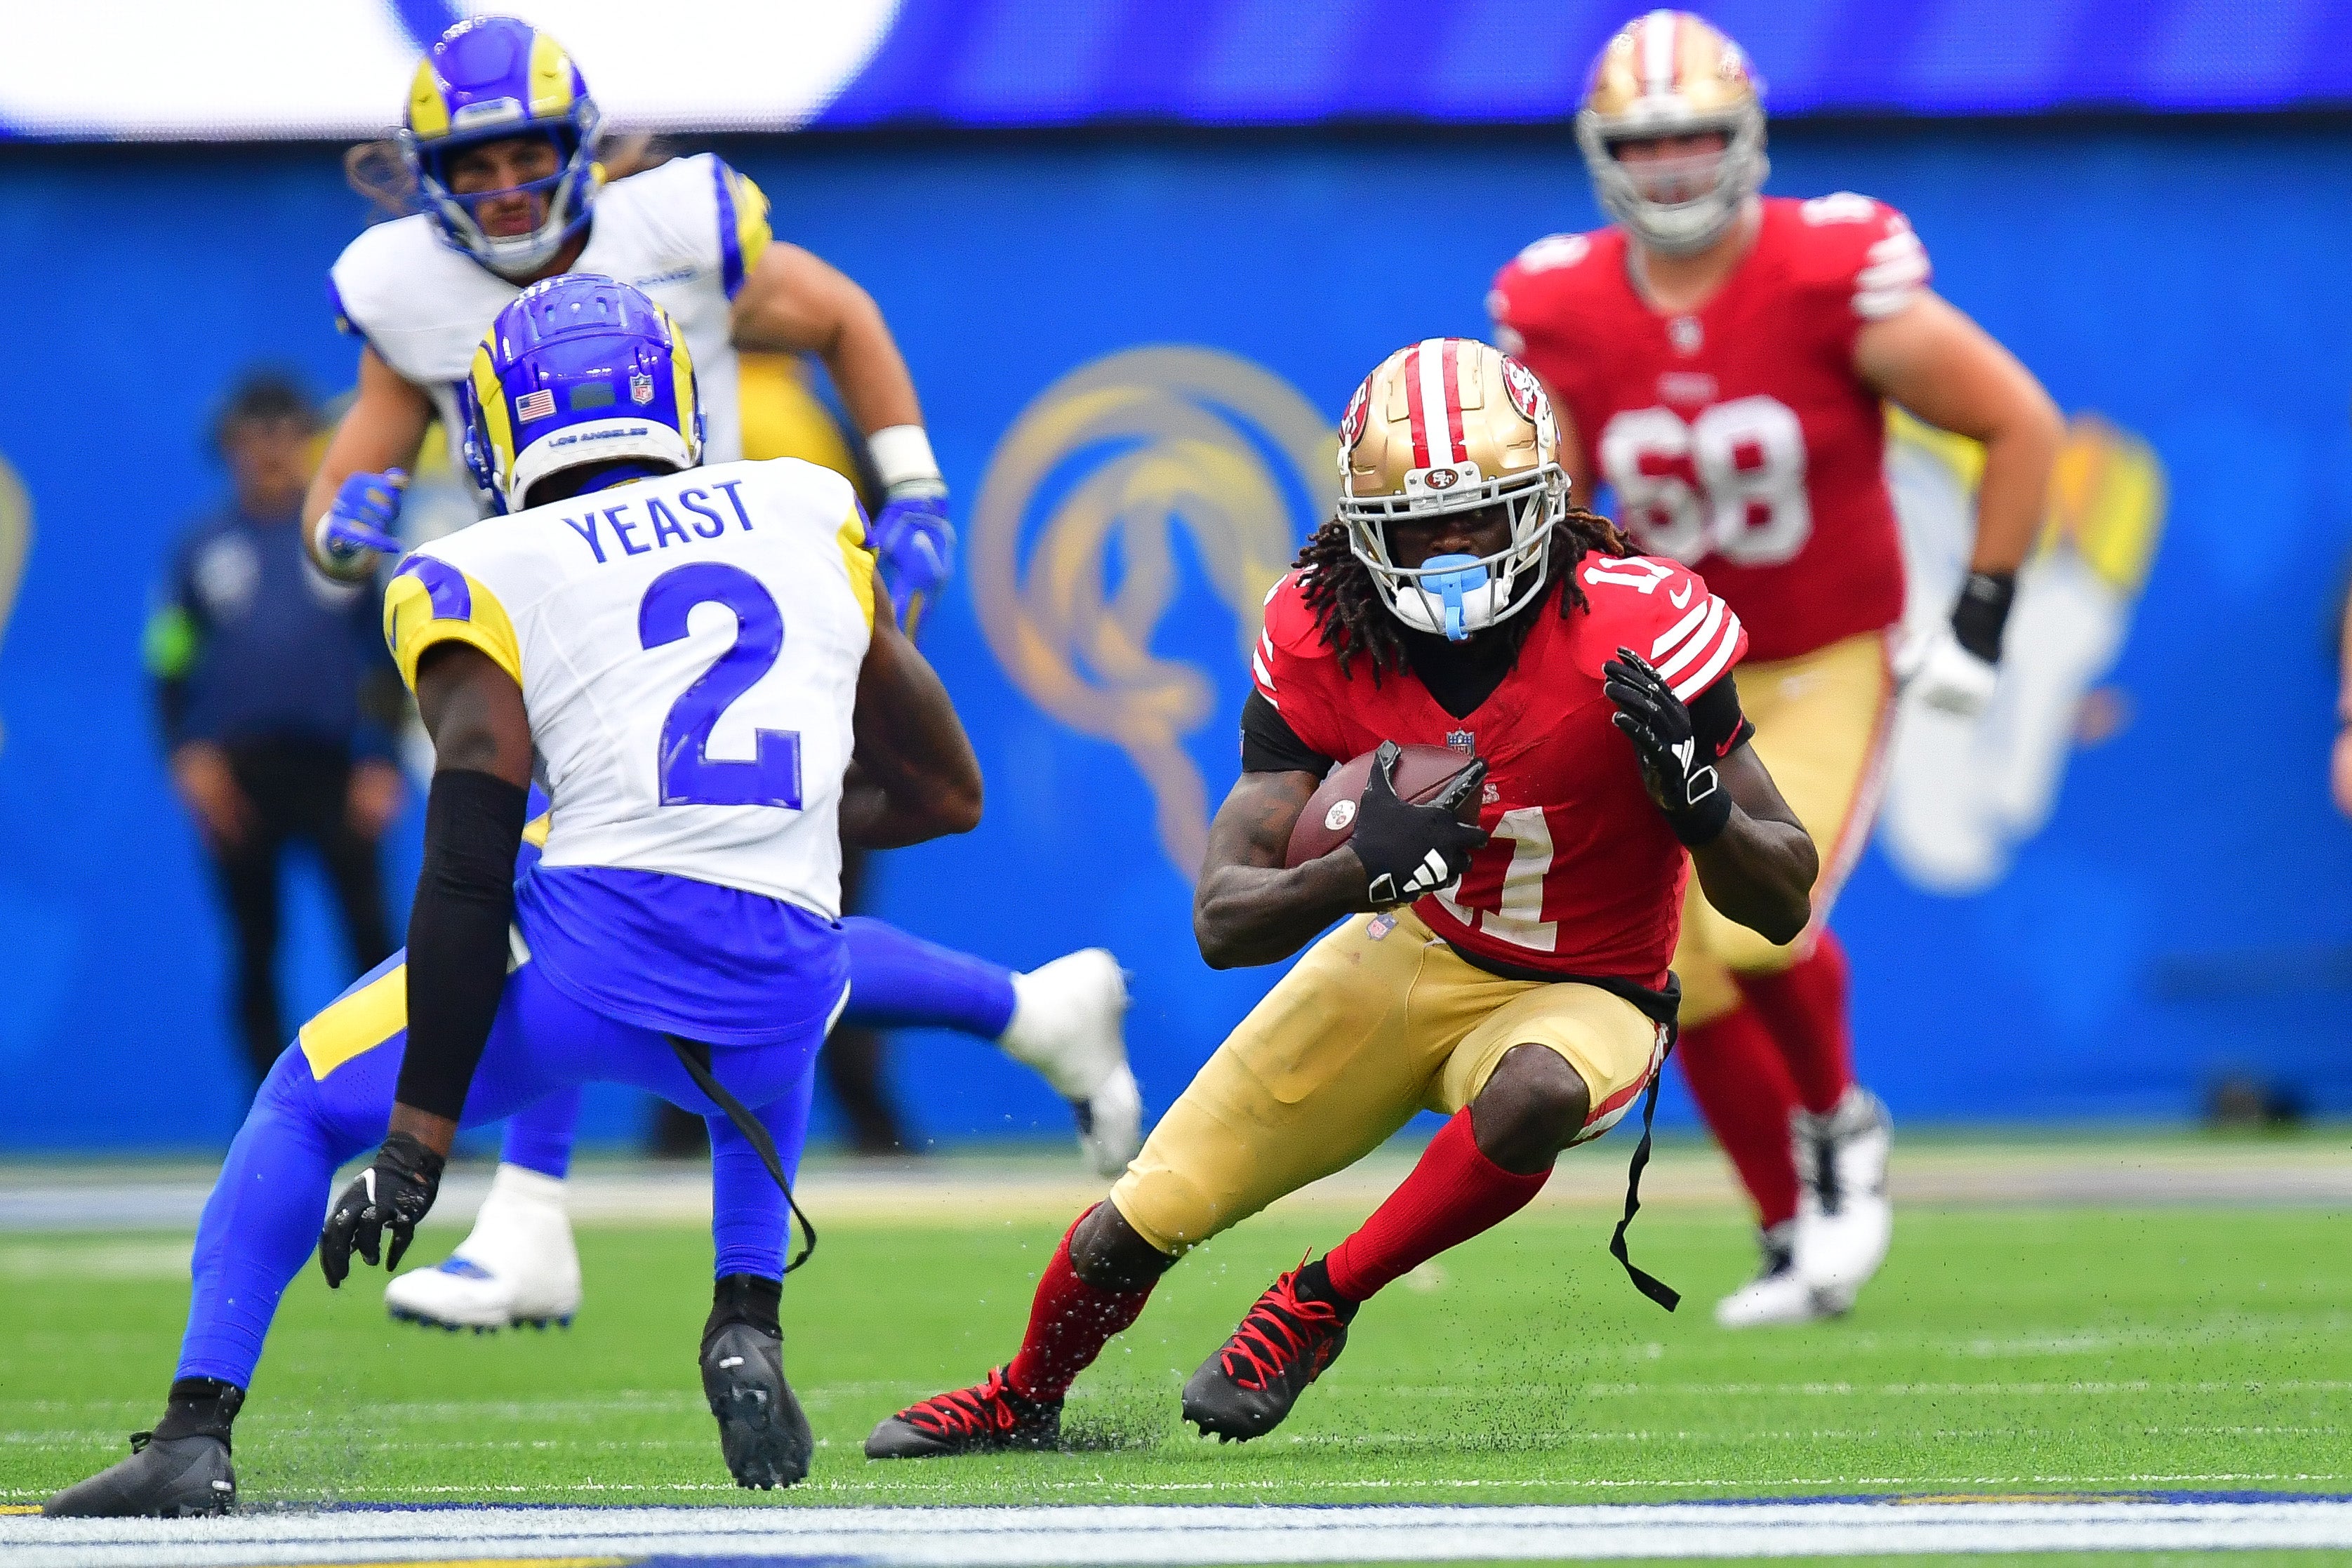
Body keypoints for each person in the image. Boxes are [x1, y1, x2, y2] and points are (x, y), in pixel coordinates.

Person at [48, 274, 978, 1517]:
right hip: (782, 998)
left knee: (299, 1097)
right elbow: (947, 792)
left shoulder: (478, 566)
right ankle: (745, 1312)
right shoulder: (804, 506)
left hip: (598, 969)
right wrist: (761, 827)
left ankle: (191, 1431)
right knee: (772, 944)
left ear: (500, 423)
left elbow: (470, 866)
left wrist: (418, 1145)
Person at [307, 16, 1140, 1335]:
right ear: (428, 178)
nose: (510, 190)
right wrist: (335, 522)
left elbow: (840, 313)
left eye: (529, 157)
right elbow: (353, 461)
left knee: (650, 900)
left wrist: (914, 480)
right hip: (547, 613)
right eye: (476, 167)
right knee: (652, 908)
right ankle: (1032, 1008)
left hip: (688, 590)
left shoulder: (678, 227)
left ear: (579, 153)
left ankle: (531, 1221)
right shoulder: (409, 289)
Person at [863, 338, 1816, 1458]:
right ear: (1368, 533)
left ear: (1545, 507)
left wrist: (1699, 807)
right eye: (1420, 525)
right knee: (1148, 1213)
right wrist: (1357, 868)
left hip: (1587, 984)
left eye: (1480, 516)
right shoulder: (1320, 631)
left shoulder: (1641, 625)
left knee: (1532, 1095)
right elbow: (1223, 918)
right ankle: (1020, 1396)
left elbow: (1782, 898)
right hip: (1407, 948)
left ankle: (1316, 1302)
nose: (1452, 547)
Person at [1487, 11, 2061, 1325]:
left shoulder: (1825, 268)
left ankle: (1837, 1128)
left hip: (1818, 660)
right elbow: (1554, 511)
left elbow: (2014, 419)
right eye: (1649, 140)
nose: (1677, 165)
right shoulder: (1558, 302)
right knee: (1670, 953)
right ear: (1602, 151)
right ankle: (1793, 1225)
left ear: (1746, 139)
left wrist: (1976, 621)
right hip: (1671, 665)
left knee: (1751, 908)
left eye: (1698, 135)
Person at [146, 371, 405, 1088]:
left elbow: (387, 658)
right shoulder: (200, 551)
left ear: (309, 440)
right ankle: (271, 1116)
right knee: (255, 945)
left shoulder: (343, 544)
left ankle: (404, 1114)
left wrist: (381, 759)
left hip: (334, 769)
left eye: (285, 431)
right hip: (240, 774)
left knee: (375, 944)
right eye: (251, 435)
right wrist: (188, 755)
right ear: (228, 447)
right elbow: (168, 661)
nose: (268, 450)